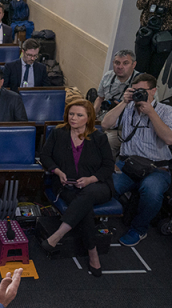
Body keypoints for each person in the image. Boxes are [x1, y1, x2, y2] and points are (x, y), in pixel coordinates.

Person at [101, 74, 172, 247]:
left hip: (157, 168)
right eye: (135, 91)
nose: (139, 95)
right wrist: (123, 102)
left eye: (142, 91)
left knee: (151, 192)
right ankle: (97, 220)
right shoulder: (128, 108)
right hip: (127, 164)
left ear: (153, 91)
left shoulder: (167, 111)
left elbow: (169, 139)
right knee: (107, 187)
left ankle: (138, 229)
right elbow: (105, 124)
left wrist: (151, 112)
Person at [39, 99, 115, 277]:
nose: (73, 118)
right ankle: (93, 253)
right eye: (71, 114)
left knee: (87, 195)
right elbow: (45, 156)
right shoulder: (59, 133)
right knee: (84, 208)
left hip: (97, 185)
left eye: (79, 115)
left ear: (88, 118)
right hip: (68, 186)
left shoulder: (99, 138)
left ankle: (58, 235)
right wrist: (57, 172)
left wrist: (90, 180)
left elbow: (108, 166)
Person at [94, 50, 140, 158]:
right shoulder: (108, 76)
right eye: (117, 63)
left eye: (125, 63)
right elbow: (100, 98)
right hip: (106, 120)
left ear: (134, 64)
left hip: (126, 128)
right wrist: (91, 116)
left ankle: (107, 169)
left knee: (106, 141)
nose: (120, 67)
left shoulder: (141, 82)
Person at [134, 0, 172, 78]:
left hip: (166, 34)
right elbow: (139, 5)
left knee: (153, 72)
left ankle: (149, 89)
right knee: (138, 69)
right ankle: (135, 89)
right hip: (146, 30)